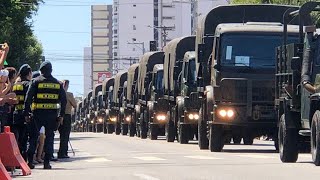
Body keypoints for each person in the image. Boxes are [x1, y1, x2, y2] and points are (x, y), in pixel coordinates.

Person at [24, 61, 67, 169]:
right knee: (49, 138)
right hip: (52, 116)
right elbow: (64, 101)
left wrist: (27, 113)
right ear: (51, 71)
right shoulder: (58, 84)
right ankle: (46, 163)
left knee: (33, 137)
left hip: (37, 115)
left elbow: (28, 99)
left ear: (41, 70)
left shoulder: (35, 81)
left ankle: (30, 162)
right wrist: (61, 115)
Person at [11, 64, 32, 160]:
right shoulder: (28, 84)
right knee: (24, 139)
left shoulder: (15, 85)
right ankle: (23, 160)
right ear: (29, 73)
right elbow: (29, 100)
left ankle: (16, 159)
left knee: (17, 138)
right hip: (25, 114)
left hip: (16, 113)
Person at [58, 80, 77, 158]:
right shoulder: (69, 94)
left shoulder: (57, 94)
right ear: (66, 86)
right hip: (66, 116)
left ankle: (59, 152)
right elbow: (75, 105)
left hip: (57, 116)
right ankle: (63, 152)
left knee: (59, 134)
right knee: (65, 135)